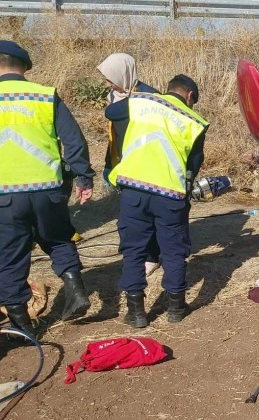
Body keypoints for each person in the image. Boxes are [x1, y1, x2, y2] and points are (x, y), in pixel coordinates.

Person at [0, 40, 95, 336]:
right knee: (58, 238)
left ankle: (22, 327)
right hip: (48, 190)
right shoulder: (44, 96)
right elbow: (74, 140)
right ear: (24, 67)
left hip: (5, 195)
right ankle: (75, 289)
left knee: (10, 256)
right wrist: (83, 177)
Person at [109, 74, 208, 328]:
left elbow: (111, 112)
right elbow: (193, 165)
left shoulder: (141, 101)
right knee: (174, 251)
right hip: (170, 194)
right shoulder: (194, 121)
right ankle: (176, 308)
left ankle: (136, 312)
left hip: (133, 188)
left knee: (133, 250)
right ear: (189, 96)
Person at [97, 53, 162, 277]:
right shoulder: (114, 95)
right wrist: (109, 164)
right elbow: (114, 132)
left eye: (110, 78)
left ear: (122, 74)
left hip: (146, 163)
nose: (108, 84)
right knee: (130, 215)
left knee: (147, 214)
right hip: (124, 163)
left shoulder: (149, 96)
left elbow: (112, 114)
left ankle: (151, 256)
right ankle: (135, 252)